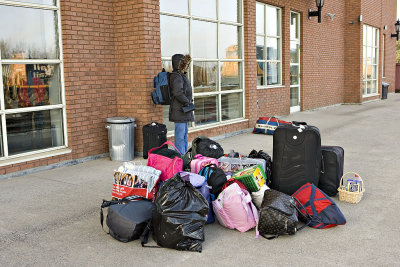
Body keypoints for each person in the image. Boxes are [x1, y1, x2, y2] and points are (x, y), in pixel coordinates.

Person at [169, 54, 194, 155]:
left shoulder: (181, 75)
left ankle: (183, 155)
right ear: (179, 64)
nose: (186, 66)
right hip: (179, 111)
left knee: (184, 135)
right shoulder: (176, 76)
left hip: (183, 111)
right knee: (180, 136)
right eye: (185, 64)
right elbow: (177, 92)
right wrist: (187, 102)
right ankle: (180, 157)